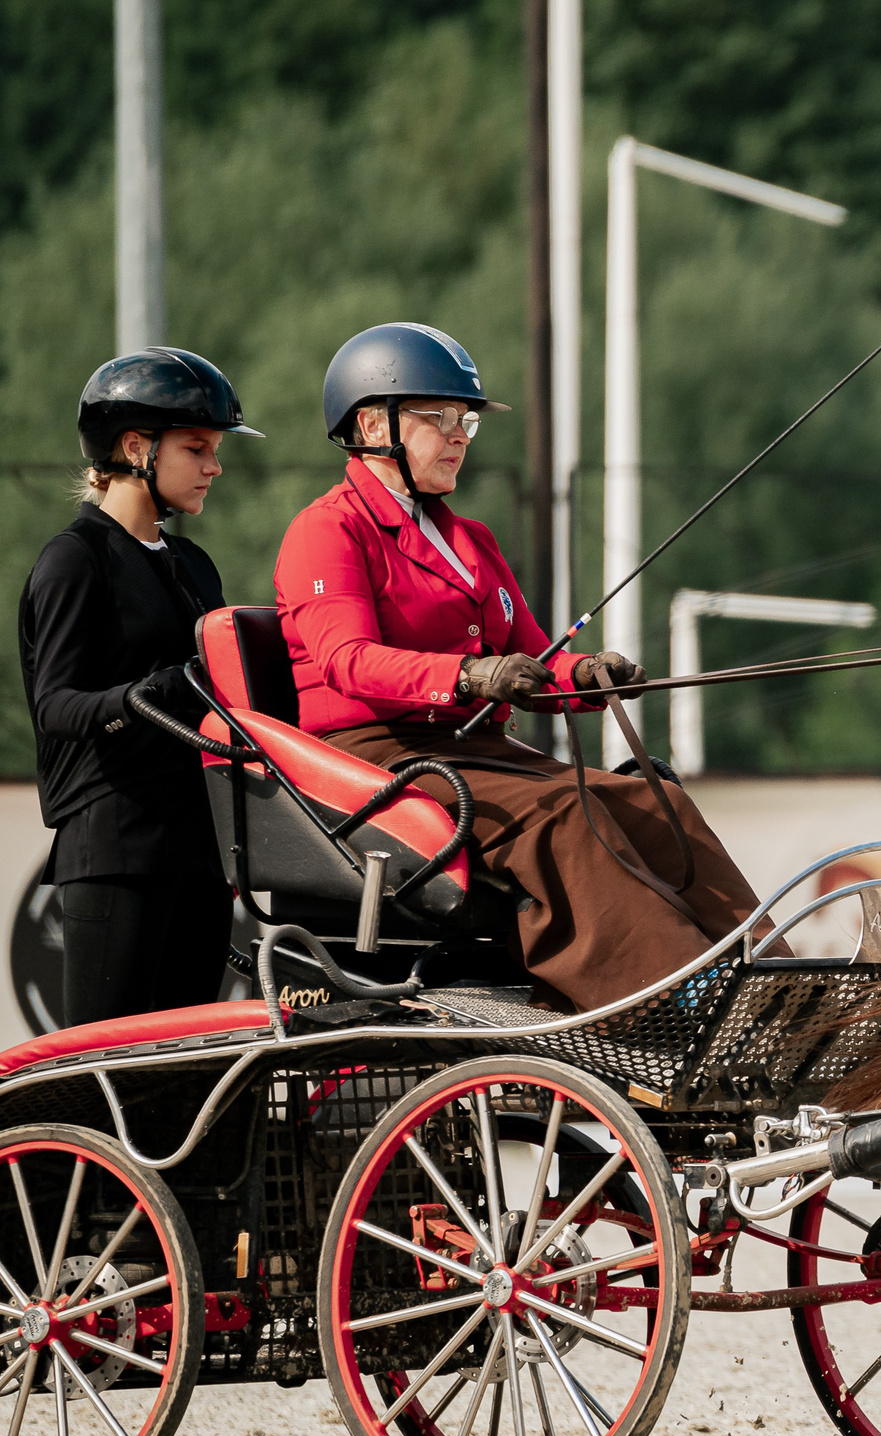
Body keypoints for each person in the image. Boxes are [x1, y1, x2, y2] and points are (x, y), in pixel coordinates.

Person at [273, 321, 760, 1011]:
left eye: (466, 420)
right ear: (373, 425)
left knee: (655, 799)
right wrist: (466, 676)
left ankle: (765, 972)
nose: (460, 436)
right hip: (377, 758)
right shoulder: (328, 529)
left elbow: (533, 656)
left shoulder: (470, 538)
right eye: (439, 418)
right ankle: (679, 998)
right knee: (559, 812)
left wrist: (583, 675)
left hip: (474, 750)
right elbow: (347, 661)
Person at [18, 348, 262, 1027]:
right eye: (197, 448)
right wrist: (143, 696)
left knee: (188, 1066)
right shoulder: (74, 560)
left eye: (215, 451)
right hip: (116, 847)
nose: (214, 467)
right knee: (104, 1060)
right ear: (135, 448)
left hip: (200, 850)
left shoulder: (193, 563)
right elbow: (55, 706)